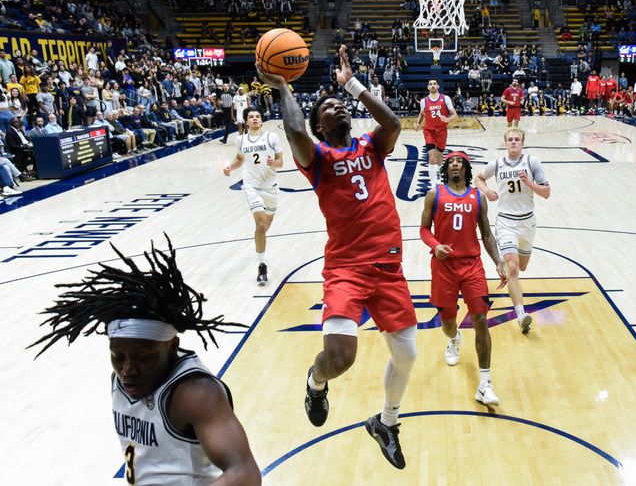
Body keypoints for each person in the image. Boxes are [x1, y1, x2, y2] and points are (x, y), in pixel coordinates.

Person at [257, 45, 417, 470]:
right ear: (319, 126)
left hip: (388, 268)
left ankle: (386, 423)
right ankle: (314, 381)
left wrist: (354, 85)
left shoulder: (372, 147)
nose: (339, 107)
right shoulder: (319, 160)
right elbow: (294, 134)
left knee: (408, 356)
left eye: (340, 103)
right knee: (341, 359)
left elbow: (394, 122)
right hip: (346, 269)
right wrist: (284, 88)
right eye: (329, 106)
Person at [30, 237, 261, 486]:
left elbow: (245, 474)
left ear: (172, 346)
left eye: (143, 356)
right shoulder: (121, 381)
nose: (127, 370)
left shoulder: (195, 394)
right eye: (118, 356)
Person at [419, 151, 508, 405]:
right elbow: (424, 229)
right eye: (451, 162)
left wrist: (499, 262)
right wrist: (435, 245)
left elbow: (487, 233)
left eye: (460, 162)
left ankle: (485, 383)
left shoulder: (478, 197)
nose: (455, 165)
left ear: (466, 168)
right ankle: (454, 339)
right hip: (443, 267)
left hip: (472, 266)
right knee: (447, 323)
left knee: (480, 318)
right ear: (446, 168)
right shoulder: (434, 194)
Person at [474, 128, 551, 334]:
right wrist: (487, 191)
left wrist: (529, 183)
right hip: (506, 222)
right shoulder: (497, 164)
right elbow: (478, 178)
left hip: (527, 222)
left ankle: (514, 284)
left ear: (522, 143)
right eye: (510, 139)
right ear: (505, 142)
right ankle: (520, 314)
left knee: (522, 266)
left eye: (517, 139)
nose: (513, 142)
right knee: (513, 268)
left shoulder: (532, 162)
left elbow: (546, 193)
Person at [223, 107, 283, 285]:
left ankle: (260, 242)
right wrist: (230, 168)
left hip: (270, 186)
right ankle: (262, 264)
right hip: (251, 186)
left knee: (266, 225)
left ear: (262, 120)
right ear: (246, 122)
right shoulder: (240, 140)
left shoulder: (272, 137)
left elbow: (281, 162)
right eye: (251, 117)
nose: (255, 119)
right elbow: (240, 159)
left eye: (257, 116)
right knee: (260, 225)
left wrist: (274, 163)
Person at [414, 79, 457, 186]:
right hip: (429, 131)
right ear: (428, 87)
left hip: (442, 131)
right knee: (432, 157)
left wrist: (448, 119)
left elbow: (455, 114)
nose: (432, 86)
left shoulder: (445, 98)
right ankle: (433, 182)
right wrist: (417, 123)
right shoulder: (424, 101)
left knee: (440, 156)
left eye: (434, 84)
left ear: (438, 86)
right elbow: (422, 114)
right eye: (430, 84)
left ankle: (439, 173)